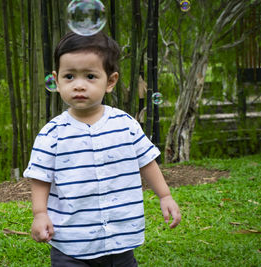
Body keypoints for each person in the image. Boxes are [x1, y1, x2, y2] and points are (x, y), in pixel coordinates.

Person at [23, 31, 181, 267]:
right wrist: (40, 213)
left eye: (90, 76)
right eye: (69, 76)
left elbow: (147, 162)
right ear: (56, 81)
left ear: (110, 81)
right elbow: (40, 178)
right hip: (71, 244)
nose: (79, 85)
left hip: (121, 240)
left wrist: (165, 195)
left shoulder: (126, 124)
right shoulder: (52, 133)